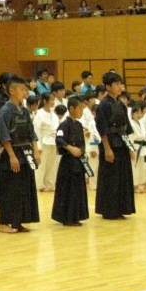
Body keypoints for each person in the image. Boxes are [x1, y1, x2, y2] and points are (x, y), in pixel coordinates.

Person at [0, 75, 41, 233]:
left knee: (23, 188)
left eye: (26, 89)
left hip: (25, 153)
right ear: (12, 91)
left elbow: (32, 133)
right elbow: (4, 135)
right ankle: (3, 223)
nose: (25, 92)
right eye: (22, 89)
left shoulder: (25, 111)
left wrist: (36, 151)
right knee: (10, 189)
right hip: (12, 153)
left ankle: (18, 221)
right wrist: (12, 156)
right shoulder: (5, 110)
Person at [95, 72, 136, 220]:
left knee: (122, 177)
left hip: (122, 143)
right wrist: (107, 148)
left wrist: (130, 147)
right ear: (108, 87)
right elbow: (102, 128)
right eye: (117, 84)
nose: (120, 87)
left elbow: (126, 128)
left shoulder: (121, 104)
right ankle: (109, 210)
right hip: (110, 143)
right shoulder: (104, 105)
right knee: (110, 178)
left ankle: (121, 208)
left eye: (120, 84)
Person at [51, 96, 90, 226]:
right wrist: (70, 148)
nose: (82, 111)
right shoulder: (64, 125)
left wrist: (81, 151)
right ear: (72, 109)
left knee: (78, 189)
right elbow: (59, 139)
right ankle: (66, 217)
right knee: (68, 189)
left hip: (78, 161)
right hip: (67, 162)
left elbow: (82, 143)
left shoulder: (79, 125)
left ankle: (76, 216)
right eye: (80, 108)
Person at [33, 93, 59, 192]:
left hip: (53, 141)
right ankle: (39, 184)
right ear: (45, 101)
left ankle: (50, 184)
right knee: (41, 164)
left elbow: (57, 129)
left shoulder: (54, 115)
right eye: (51, 100)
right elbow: (36, 130)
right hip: (43, 142)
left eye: (53, 100)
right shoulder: (39, 114)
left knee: (52, 165)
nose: (53, 102)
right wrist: (38, 146)